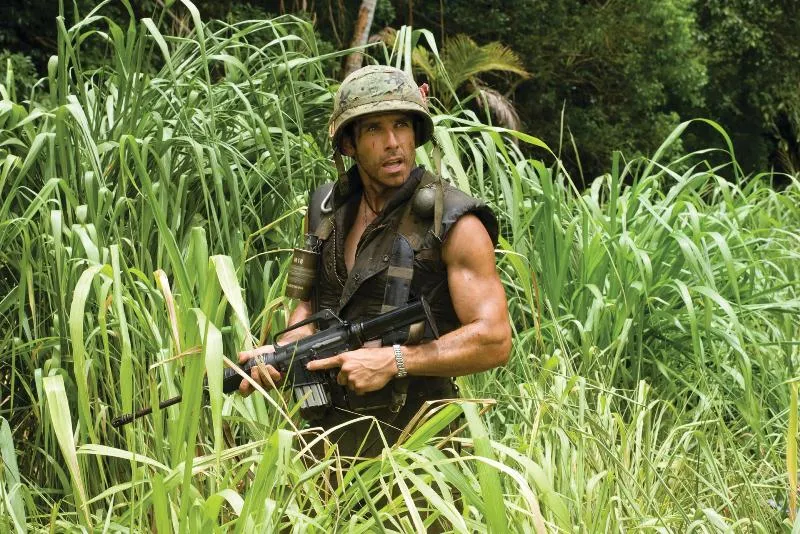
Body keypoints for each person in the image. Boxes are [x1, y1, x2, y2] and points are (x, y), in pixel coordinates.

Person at [238, 65, 511, 458]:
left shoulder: (454, 222)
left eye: (401, 125)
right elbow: (307, 308)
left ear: (416, 132)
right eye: (374, 129)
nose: (393, 143)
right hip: (326, 440)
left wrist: (396, 361)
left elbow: (495, 339)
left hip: (420, 447)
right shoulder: (325, 210)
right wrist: (284, 353)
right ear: (349, 143)